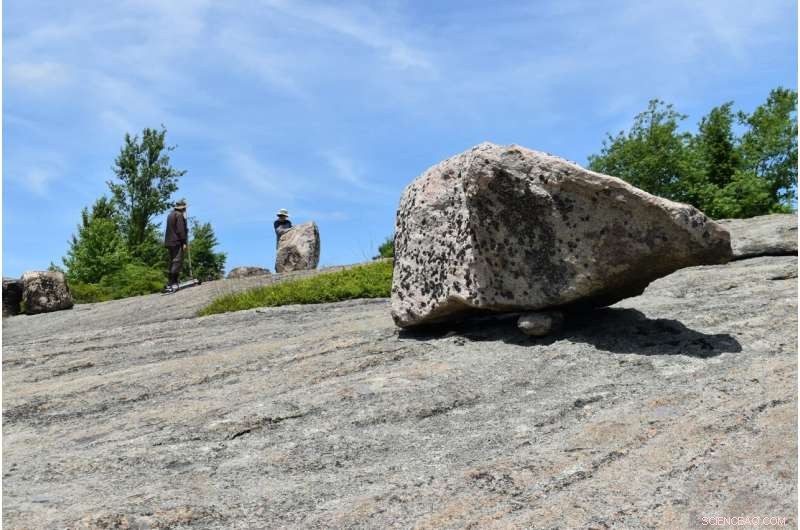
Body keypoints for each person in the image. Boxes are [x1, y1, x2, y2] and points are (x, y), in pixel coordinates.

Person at [164, 199, 188, 292]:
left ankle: (170, 282)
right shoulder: (179, 215)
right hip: (176, 241)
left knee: (172, 261)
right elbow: (180, 230)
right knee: (177, 261)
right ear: (182, 208)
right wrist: (184, 242)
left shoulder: (170, 214)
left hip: (169, 241)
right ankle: (173, 282)